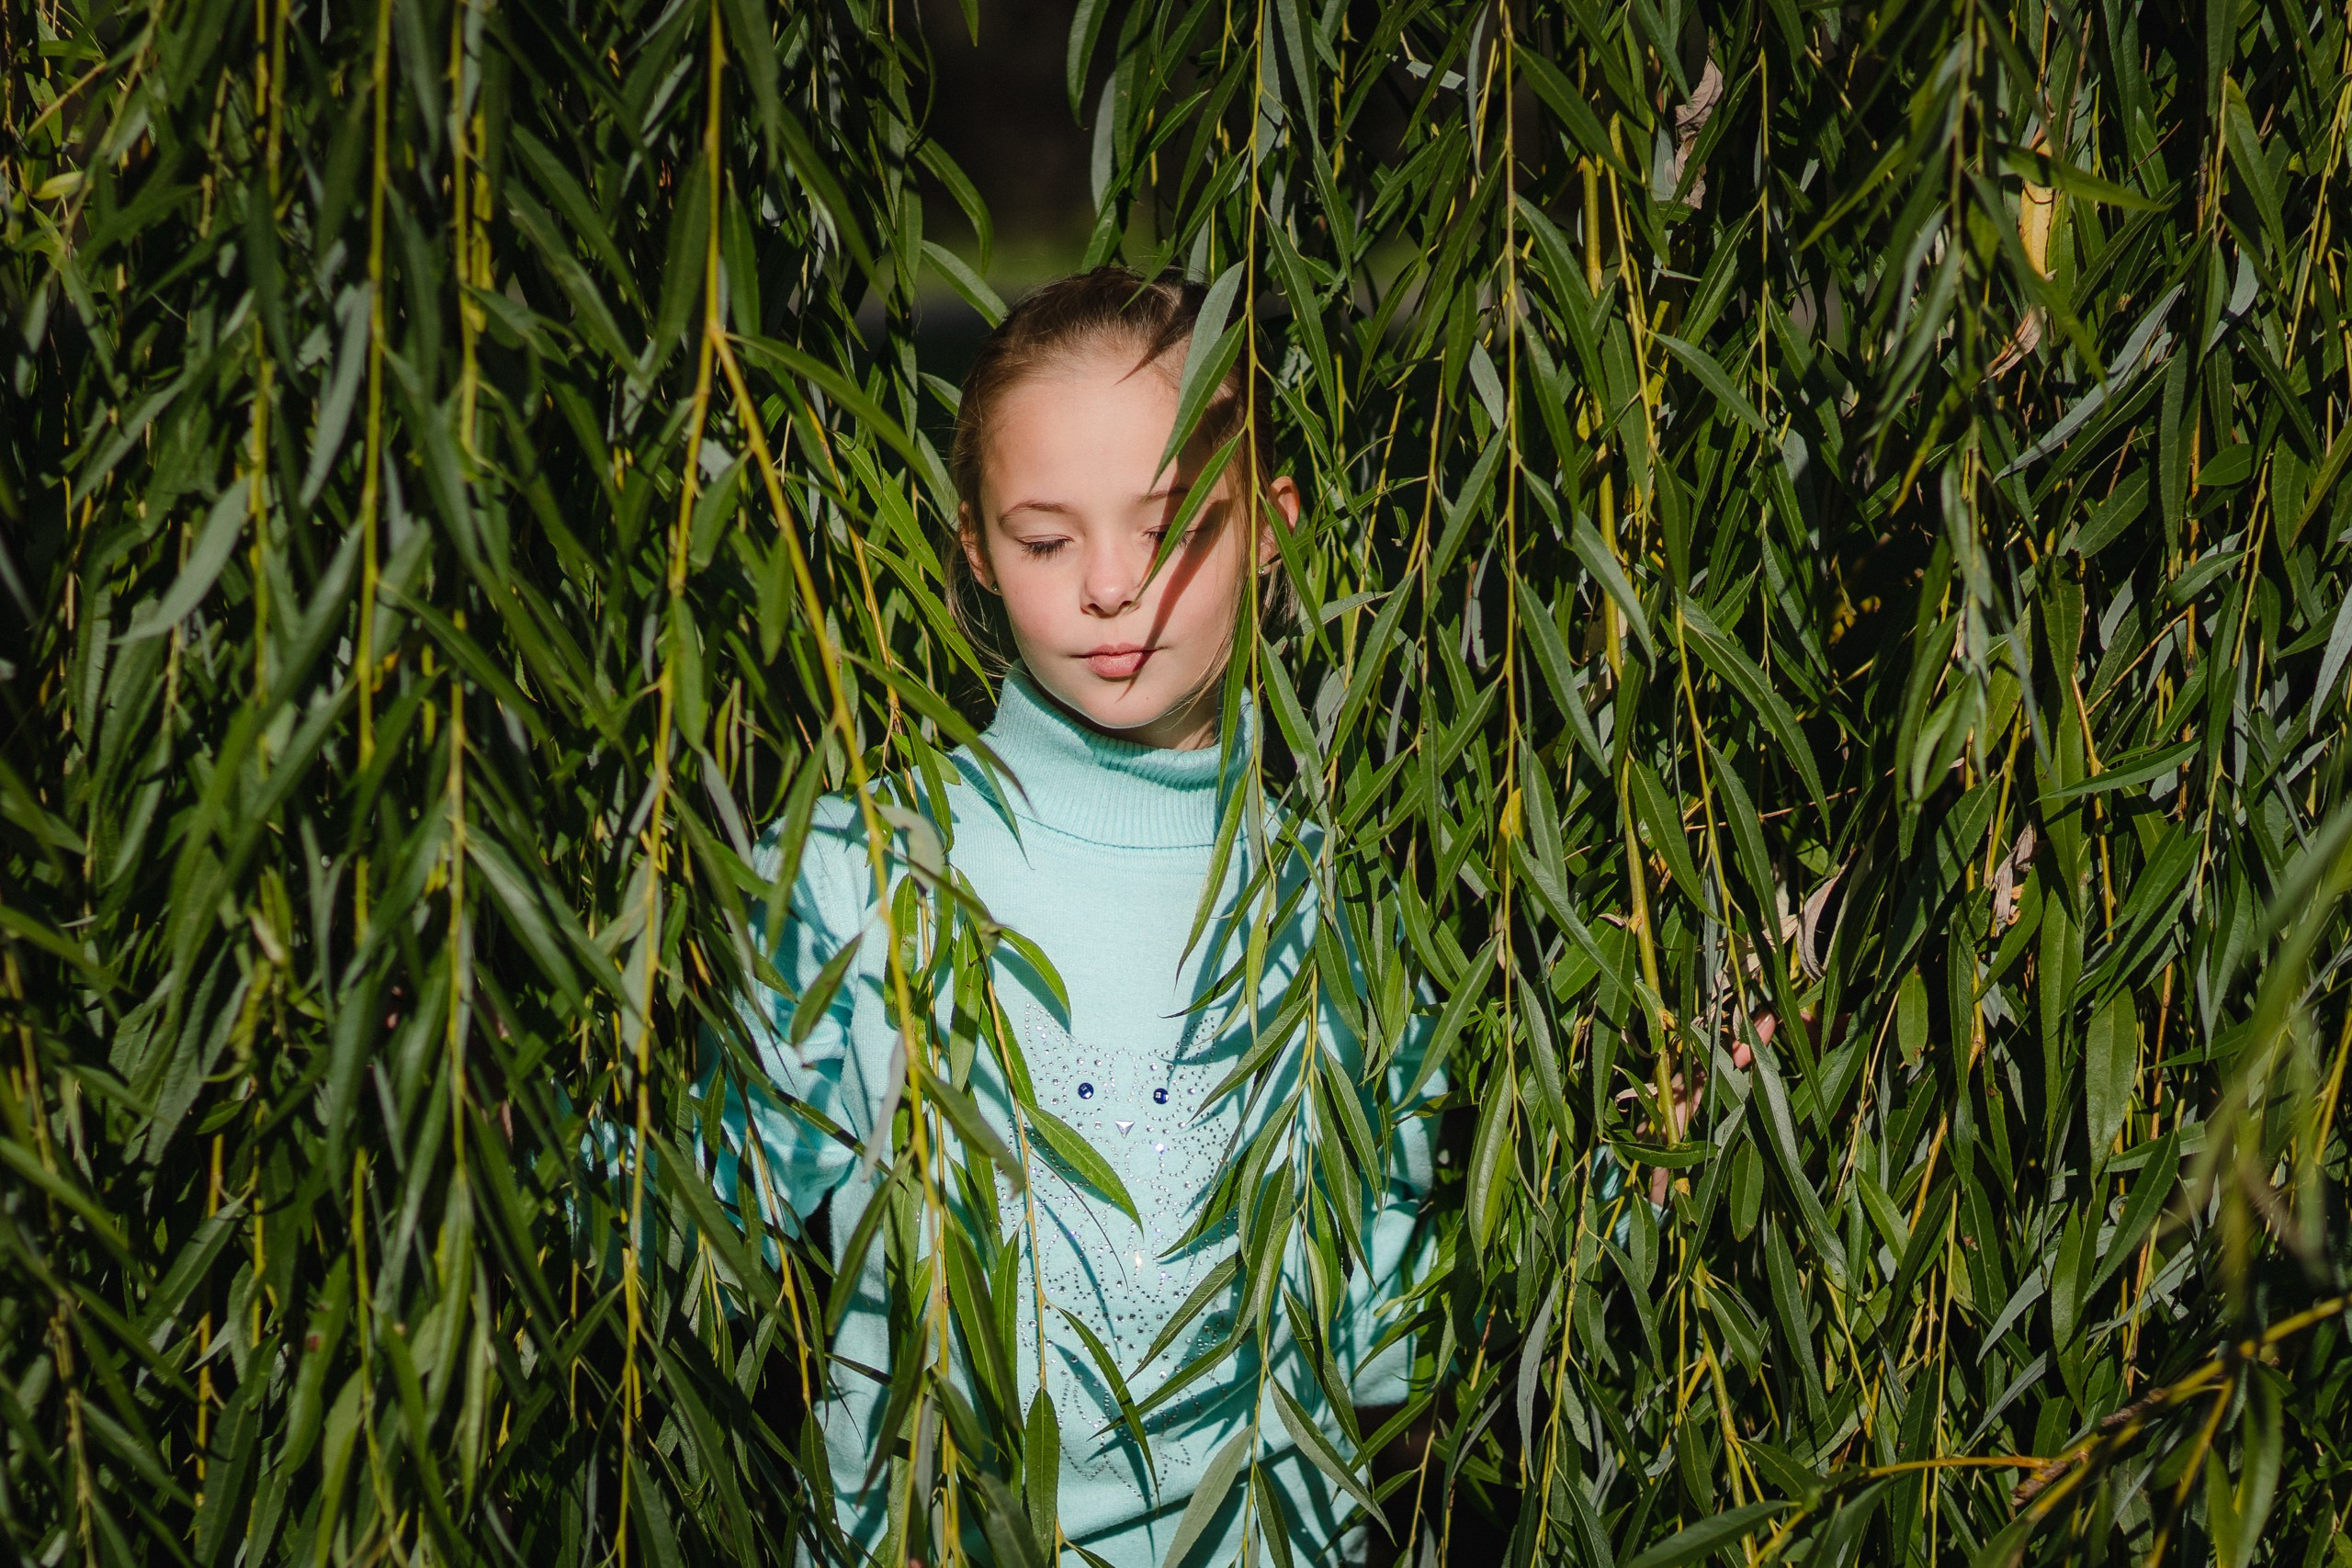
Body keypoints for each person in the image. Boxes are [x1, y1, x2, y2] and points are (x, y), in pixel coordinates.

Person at [715, 268, 1436, 1567]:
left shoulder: (1347, 913)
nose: (1111, 585)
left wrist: (1645, 1170)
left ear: (1272, 529)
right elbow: (676, 1224)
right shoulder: (860, 873)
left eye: (1169, 527)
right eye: (1047, 541)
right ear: (976, 549)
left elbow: (1389, 1335)